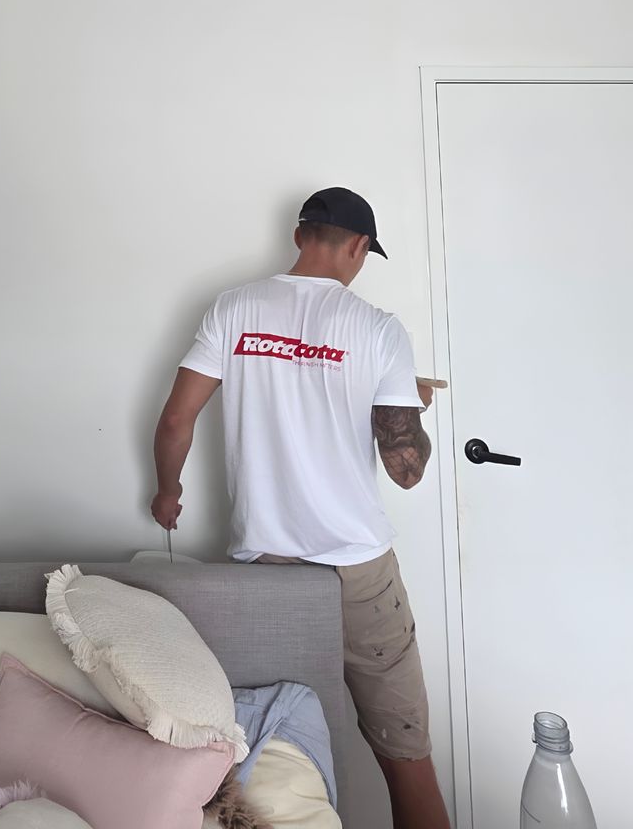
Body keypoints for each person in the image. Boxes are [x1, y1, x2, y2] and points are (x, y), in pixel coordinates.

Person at [151, 189, 449, 829]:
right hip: (359, 572)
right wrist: (408, 402)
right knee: (407, 756)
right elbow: (408, 469)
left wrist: (167, 493)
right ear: (359, 246)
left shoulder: (234, 308)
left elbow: (176, 420)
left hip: (265, 570)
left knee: (265, 753)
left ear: (299, 236)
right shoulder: (377, 329)